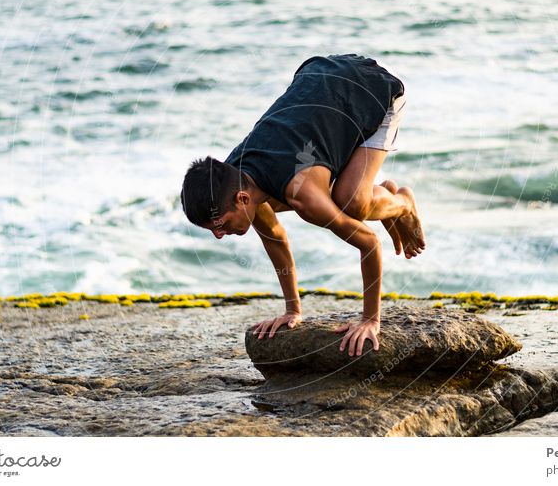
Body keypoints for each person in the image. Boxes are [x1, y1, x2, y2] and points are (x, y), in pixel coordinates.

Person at [180, 53, 425, 357]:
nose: (219, 235)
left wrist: (370, 320)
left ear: (242, 200)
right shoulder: (235, 181)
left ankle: (400, 202)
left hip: (370, 90)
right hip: (318, 85)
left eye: (220, 225)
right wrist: (292, 310)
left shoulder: (301, 194)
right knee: (335, 193)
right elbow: (275, 237)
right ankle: (380, 195)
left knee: (353, 204)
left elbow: (369, 243)